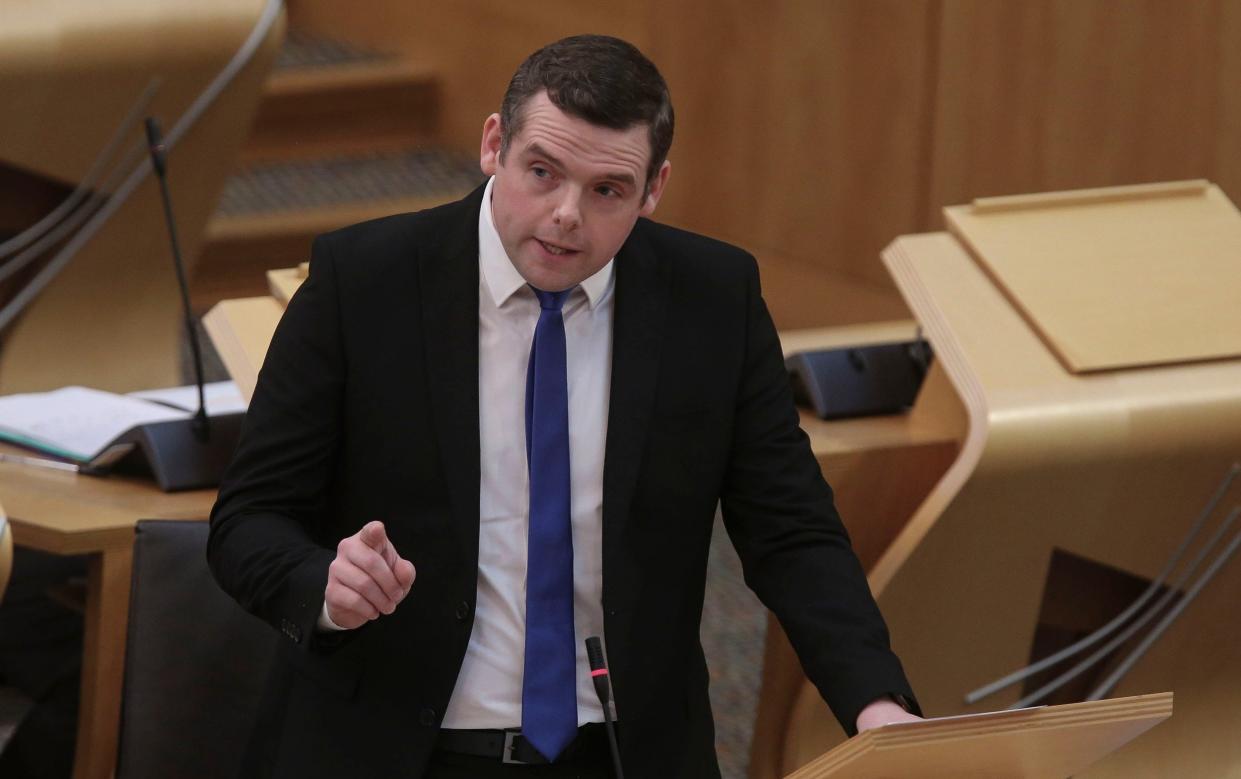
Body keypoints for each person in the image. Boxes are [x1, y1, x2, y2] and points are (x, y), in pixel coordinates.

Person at [208, 34, 920, 779]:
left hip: (622, 753)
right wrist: (325, 586)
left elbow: (792, 530)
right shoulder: (366, 283)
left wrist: (874, 698)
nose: (565, 216)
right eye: (542, 173)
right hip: (402, 747)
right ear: (494, 144)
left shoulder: (712, 301)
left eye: (607, 189)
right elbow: (247, 519)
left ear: (653, 190)